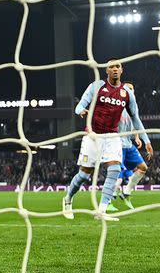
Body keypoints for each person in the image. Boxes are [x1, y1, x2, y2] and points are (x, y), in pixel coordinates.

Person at [62, 61, 152, 221]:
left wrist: (146, 140)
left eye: (118, 66)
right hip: (93, 136)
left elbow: (135, 118)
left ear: (122, 70)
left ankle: (101, 211)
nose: (115, 69)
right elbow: (80, 104)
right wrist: (81, 110)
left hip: (112, 136)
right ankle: (68, 199)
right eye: (112, 67)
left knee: (115, 170)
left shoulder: (127, 93)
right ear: (107, 71)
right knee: (83, 175)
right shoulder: (96, 86)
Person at [111, 82, 149, 210]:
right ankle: (109, 200)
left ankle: (126, 193)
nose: (130, 90)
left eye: (132, 89)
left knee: (143, 168)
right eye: (127, 89)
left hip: (128, 144)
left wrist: (137, 137)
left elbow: (135, 125)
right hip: (117, 145)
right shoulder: (117, 106)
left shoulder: (133, 108)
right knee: (117, 176)